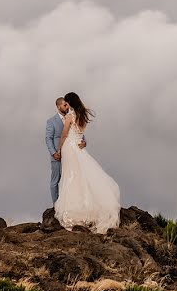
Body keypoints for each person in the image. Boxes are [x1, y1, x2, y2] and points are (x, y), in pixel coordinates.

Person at [53, 92, 121, 233]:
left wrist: (59, 149)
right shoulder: (82, 116)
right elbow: (80, 134)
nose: (65, 105)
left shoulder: (70, 116)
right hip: (78, 146)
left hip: (70, 148)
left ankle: (74, 209)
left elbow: (64, 134)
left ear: (70, 102)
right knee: (79, 175)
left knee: (71, 176)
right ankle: (86, 206)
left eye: (66, 102)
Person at [46, 97, 86, 205]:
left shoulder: (72, 117)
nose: (66, 107)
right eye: (64, 105)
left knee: (70, 179)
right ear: (58, 106)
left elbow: (79, 132)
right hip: (57, 156)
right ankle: (56, 206)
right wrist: (54, 153)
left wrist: (84, 142)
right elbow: (48, 138)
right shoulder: (51, 121)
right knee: (55, 181)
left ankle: (68, 204)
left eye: (67, 104)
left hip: (71, 154)